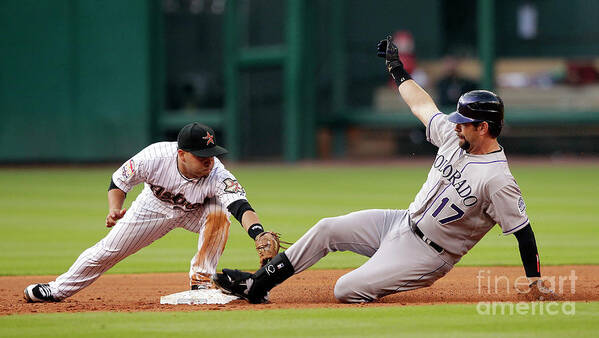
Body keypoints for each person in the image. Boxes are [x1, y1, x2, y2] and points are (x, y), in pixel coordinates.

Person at [210, 36, 552, 304]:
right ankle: (258, 284)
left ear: (484, 127)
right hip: (400, 221)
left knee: (346, 289)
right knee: (328, 228)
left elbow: (523, 231)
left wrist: (534, 280)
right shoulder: (453, 137)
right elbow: (423, 105)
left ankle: (378, 275)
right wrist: (397, 70)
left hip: (429, 254)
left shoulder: (497, 179)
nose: (456, 126)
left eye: (464, 123)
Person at [24, 122, 279, 302]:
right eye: (202, 156)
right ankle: (56, 290)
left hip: (196, 212)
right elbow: (119, 182)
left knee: (219, 212)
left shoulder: (217, 173)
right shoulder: (154, 157)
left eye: (211, 154)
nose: (209, 161)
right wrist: (114, 209)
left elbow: (239, 205)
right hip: (153, 207)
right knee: (107, 251)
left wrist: (257, 232)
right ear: (181, 154)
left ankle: (201, 281)